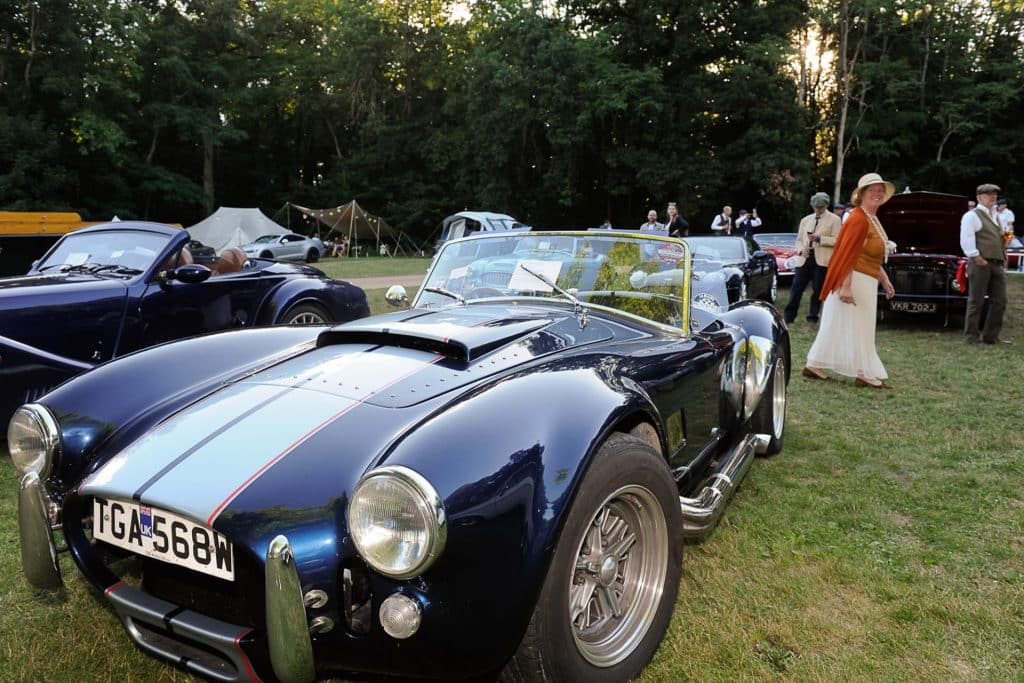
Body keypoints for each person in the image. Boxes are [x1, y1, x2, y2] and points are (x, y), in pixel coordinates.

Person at [803, 173, 897, 388]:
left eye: (880, 190)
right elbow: (847, 254)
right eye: (872, 190)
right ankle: (863, 372)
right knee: (861, 325)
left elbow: (869, 254)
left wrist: (885, 279)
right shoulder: (857, 219)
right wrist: (845, 286)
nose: (877, 194)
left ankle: (813, 364)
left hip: (866, 277)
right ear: (861, 194)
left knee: (836, 322)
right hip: (855, 279)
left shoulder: (871, 219)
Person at [960, 183, 1008, 344]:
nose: (993, 197)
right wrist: (976, 257)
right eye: (989, 194)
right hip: (980, 263)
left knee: (1000, 301)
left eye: (994, 194)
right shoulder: (972, 215)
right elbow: (966, 239)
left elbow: (1000, 239)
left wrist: (1004, 255)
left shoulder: (997, 216)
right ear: (980, 197)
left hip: (997, 263)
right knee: (976, 300)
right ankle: (972, 337)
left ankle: (991, 336)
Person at [784, 192, 841, 323]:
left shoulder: (835, 220)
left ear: (826, 205)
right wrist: (800, 251)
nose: (818, 209)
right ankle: (789, 317)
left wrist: (820, 239)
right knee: (796, 289)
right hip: (804, 259)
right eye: (816, 207)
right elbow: (798, 240)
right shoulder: (805, 220)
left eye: (820, 207)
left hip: (822, 261)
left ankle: (812, 317)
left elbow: (837, 240)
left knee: (818, 290)